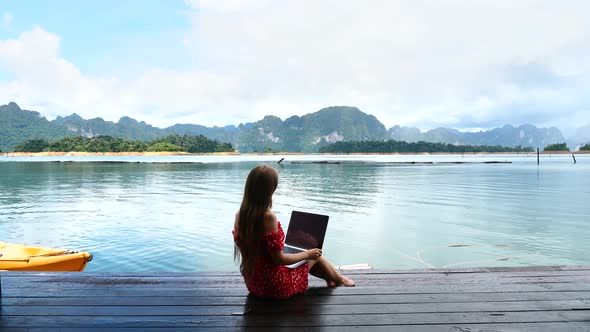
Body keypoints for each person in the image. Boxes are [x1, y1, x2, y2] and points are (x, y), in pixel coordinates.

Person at [233, 165, 355, 299]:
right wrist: (307, 253)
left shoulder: (240, 216)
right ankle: (340, 279)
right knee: (315, 253)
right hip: (275, 287)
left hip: (254, 283)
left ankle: (331, 279)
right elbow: (279, 259)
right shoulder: (268, 217)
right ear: (270, 189)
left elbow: (260, 251)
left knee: (309, 254)